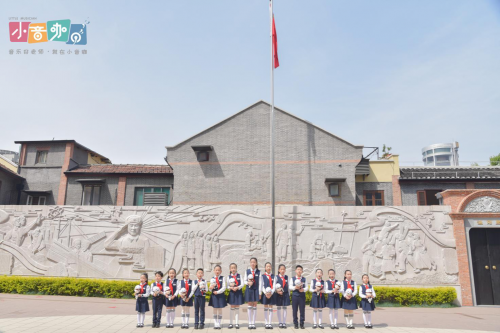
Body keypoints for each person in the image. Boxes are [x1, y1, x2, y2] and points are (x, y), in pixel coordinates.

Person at [243, 257, 261, 329]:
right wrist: (248, 282)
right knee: (250, 305)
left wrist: (260, 293)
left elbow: (260, 282)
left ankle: (253, 323)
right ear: (250, 263)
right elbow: (244, 281)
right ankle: (250, 322)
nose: (253, 263)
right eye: (251, 262)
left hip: (256, 290)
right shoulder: (247, 271)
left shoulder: (259, 272)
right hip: (249, 290)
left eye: (254, 262)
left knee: (255, 305)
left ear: (256, 263)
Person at [209, 264, 227, 329]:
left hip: (220, 295)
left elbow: (224, 287)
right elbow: (210, 289)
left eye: (218, 270)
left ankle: (219, 323)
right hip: (214, 295)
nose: (217, 271)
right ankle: (215, 323)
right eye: (216, 270)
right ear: (214, 271)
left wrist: (218, 292)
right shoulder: (212, 279)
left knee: (219, 309)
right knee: (214, 309)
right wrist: (211, 287)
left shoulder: (223, 278)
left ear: (221, 271)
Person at [227, 263, 244, 329]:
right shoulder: (228, 277)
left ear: (236, 268)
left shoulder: (240, 276)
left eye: (234, 268)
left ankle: (237, 323)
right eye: (232, 268)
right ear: (230, 269)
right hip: (232, 293)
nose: (233, 269)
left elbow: (242, 284)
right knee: (232, 307)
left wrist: (237, 287)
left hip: (238, 292)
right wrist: (230, 288)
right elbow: (227, 285)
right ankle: (231, 323)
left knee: (237, 307)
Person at [289, 265, 306, 329]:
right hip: (295, 296)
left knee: (302, 310)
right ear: (295, 271)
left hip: (302, 296)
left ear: (302, 271)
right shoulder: (292, 278)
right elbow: (290, 287)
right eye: (298, 269)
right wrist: (294, 287)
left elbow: (306, 287)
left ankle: (302, 323)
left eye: (300, 269)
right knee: (295, 310)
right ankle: (295, 323)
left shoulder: (304, 279)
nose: (299, 270)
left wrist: (303, 289)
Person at [261, 262, 276, 329]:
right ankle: (266, 322)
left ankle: (270, 323)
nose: (269, 268)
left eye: (270, 266)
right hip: (265, 294)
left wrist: (271, 293)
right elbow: (262, 285)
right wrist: (265, 293)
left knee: (271, 308)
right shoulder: (262, 276)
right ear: (265, 268)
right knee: (266, 307)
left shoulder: (274, 276)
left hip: (271, 294)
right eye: (267, 266)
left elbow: (274, 286)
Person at [275, 264, 290, 329]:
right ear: (279, 270)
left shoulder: (286, 277)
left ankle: (284, 322)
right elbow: (274, 285)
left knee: (284, 308)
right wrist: (277, 291)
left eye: (284, 269)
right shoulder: (276, 277)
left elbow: (288, 286)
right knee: (278, 308)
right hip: (278, 294)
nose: (282, 270)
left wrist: (288, 294)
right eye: (281, 269)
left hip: (285, 294)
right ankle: (280, 322)